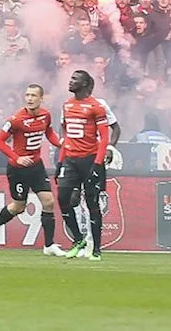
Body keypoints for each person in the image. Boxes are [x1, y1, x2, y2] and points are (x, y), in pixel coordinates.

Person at [0, 83, 65, 254]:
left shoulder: (46, 115)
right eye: (27, 95)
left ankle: (49, 245)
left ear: (41, 99)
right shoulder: (15, 119)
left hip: (36, 166)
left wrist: (60, 144)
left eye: (33, 95)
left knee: (49, 201)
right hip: (17, 169)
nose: (29, 98)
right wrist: (17, 158)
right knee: (19, 206)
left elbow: (49, 133)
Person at [55, 68, 118, 260]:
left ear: (84, 84)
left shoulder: (96, 107)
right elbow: (66, 136)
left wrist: (98, 164)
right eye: (71, 77)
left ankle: (97, 249)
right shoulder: (66, 105)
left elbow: (106, 135)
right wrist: (60, 160)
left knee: (92, 203)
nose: (70, 81)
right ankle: (78, 239)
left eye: (75, 79)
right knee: (63, 199)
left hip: (90, 159)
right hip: (70, 160)